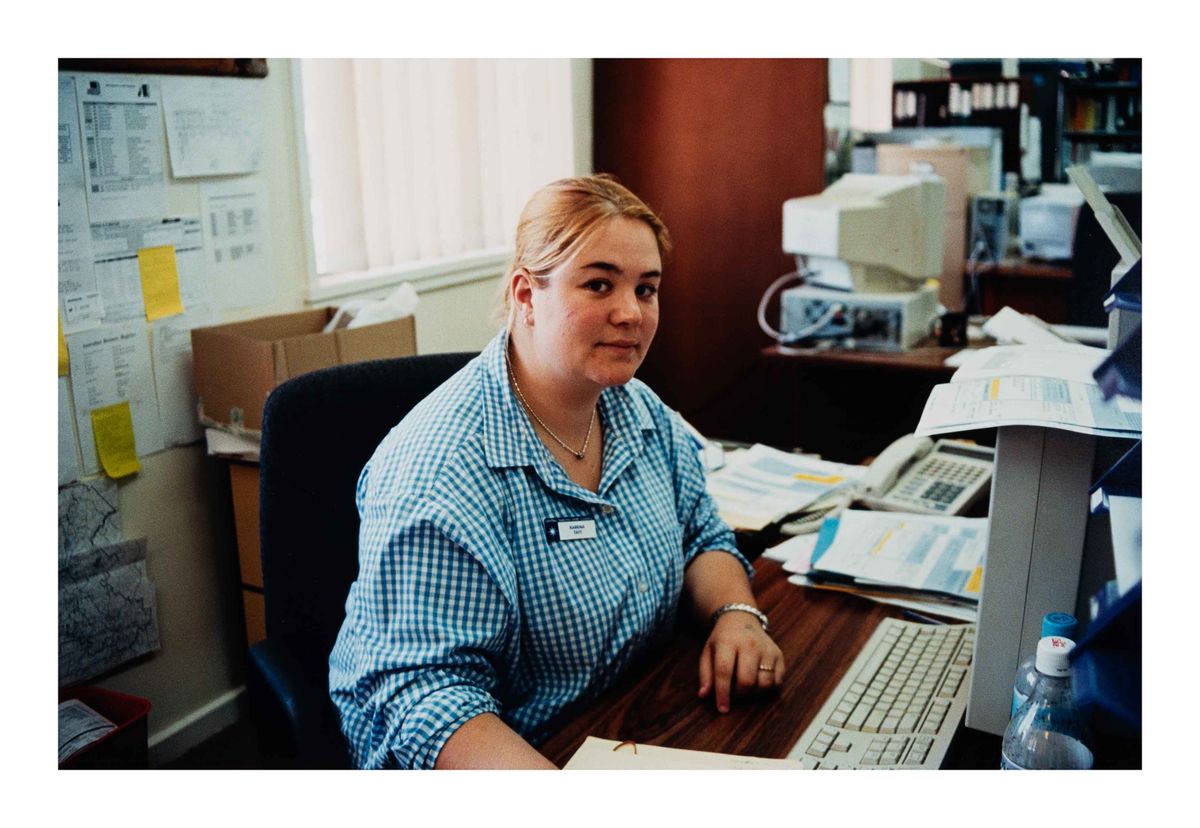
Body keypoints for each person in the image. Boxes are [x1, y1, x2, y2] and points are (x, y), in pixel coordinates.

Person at [329, 174, 785, 769]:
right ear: (525, 295)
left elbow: (700, 533)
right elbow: (428, 700)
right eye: (599, 284)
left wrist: (737, 616)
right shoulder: (442, 467)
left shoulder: (634, 408)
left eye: (646, 290)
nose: (631, 313)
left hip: (625, 716)